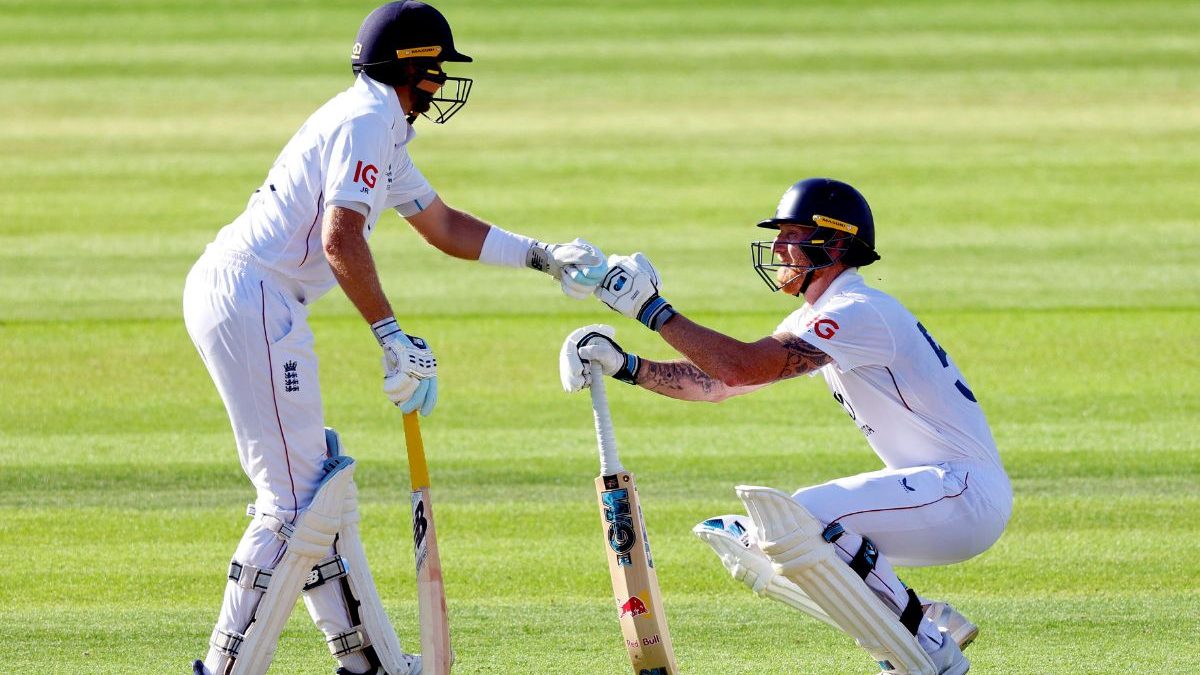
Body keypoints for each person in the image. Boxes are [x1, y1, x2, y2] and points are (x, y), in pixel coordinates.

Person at [182, 3, 607, 674]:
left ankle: (365, 660)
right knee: (294, 504)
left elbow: (441, 224)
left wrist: (542, 256)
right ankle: (223, 667)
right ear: (406, 68)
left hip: (256, 298)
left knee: (320, 488)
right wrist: (391, 336)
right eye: (435, 69)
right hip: (253, 296)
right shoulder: (366, 122)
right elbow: (339, 235)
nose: (441, 84)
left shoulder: (381, 126)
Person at [559, 178, 1012, 675]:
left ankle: (926, 642)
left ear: (835, 243)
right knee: (787, 541)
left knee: (807, 515)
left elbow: (740, 367)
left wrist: (653, 310)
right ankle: (922, 622)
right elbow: (720, 385)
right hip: (943, 496)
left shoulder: (858, 312)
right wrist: (627, 365)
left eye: (790, 234)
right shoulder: (824, 315)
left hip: (961, 493)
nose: (776, 248)